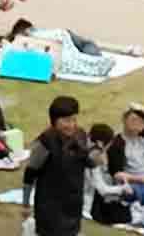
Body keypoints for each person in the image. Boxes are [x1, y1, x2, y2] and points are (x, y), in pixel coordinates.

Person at [23, 96, 94, 236]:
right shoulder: (44, 143)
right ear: (54, 120)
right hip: (50, 204)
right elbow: (30, 174)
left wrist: (95, 152)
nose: (71, 125)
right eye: (66, 120)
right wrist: (25, 204)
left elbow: (90, 162)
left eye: (74, 119)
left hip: (73, 200)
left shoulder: (80, 136)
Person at [85, 124, 133, 225]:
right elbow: (102, 189)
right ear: (100, 143)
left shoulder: (81, 148)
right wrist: (122, 189)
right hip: (85, 206)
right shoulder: (93, 158)